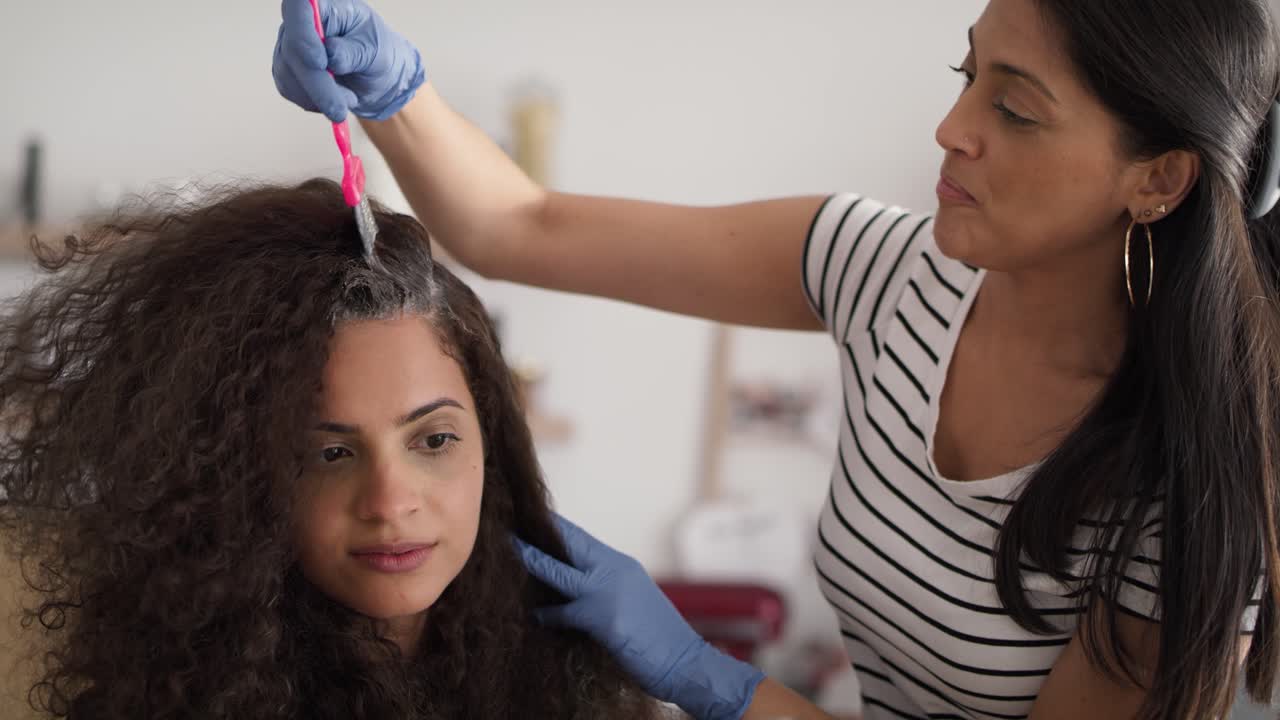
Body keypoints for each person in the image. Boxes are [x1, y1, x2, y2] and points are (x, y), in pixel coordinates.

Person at [273, 0, 1280, 718]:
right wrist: (393, 88)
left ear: (1156, 179)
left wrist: (708, 678)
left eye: (1012, 109)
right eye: (963, 75)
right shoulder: (886, 270)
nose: (950, 129)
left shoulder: (1190, 490)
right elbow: (519, 225)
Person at [0, 179, 672, 719]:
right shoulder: (176, 687)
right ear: (247, 481)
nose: (390, 502)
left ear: (489, 447)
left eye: (434, 440)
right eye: (330, 455)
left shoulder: (577, 682)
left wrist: (702, 686)